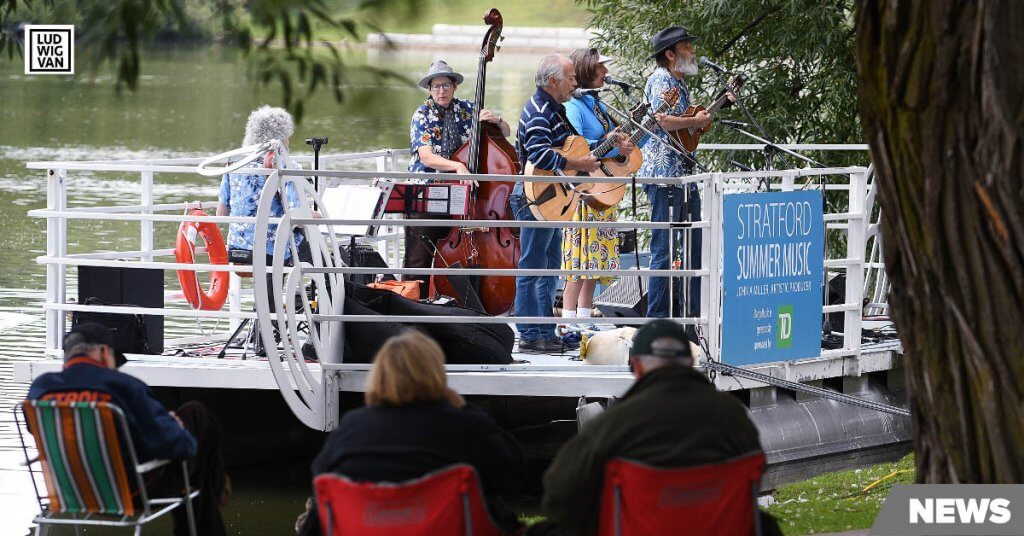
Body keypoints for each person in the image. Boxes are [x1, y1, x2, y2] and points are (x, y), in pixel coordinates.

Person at [531, 319, 779, 536]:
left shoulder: (614, 424)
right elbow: (753, 476)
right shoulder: (733, 416)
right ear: (689, 360)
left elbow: (559, 496)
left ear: (636, 366)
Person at [297, 331, 526, 535]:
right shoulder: (466, 425)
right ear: (436, 374)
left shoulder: (350, 429)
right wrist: (464, 408)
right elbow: (514, 475)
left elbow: (322, 482)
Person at [27, 323, 230, 536]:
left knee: (194, 476)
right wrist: (175, 428)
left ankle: (213, 493)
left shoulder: (40, 389)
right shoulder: (123, 386)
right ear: (105, 352)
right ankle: (217, 494)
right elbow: (179, 448)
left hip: (70, 491)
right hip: (131, 492)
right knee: (196, 417)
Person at [510, 54, 599, 353]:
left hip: (553, 198)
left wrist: (606, 146)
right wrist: (577, 162)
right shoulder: (538, 111)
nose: (575, 83)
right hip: (535, 198)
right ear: (553, 81)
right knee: (533, 267)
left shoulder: (555, 109)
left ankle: (545, 331)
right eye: (571, 78)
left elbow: (573, 148)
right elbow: (539, 155)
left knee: (549, 266)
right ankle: (529, 334)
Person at [405, 60, 511, 295]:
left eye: (445, 85)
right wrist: (458, 167)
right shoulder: (422, 114)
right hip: (427, 194)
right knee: (418, 260)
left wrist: (498, 121)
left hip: (458, 196)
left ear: (454, 87)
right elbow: (427, 158)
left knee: (455, 253)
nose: (440, 91)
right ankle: (413, 309)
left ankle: (454, 303)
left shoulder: (467, 109)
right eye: (435, 86)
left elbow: (505, 133)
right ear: (430, 90)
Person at [638, 26, 710, 319]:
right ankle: (656, 320)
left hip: (684, 173)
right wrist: (692, 121)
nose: (692, 52)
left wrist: (699, 122)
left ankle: (692, 317)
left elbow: (681, 126)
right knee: (664, 251)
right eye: (686, 47)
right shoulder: (660, 79)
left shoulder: (680, 84)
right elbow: (660, 121)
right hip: (664, 175)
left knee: (694, 246)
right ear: (670, 54)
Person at [560, 48, 635, 330]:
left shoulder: (598, 105)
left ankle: (585, 319)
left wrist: (621, 143)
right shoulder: (573, 107)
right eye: (601, 68)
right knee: (578, 261)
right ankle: (568, 323)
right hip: (584, 190)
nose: (606, 72)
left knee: (596, 260)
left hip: (604, 188)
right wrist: (609, 143)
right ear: (587, 71)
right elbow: (575, 147)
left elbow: (612, 138)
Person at [217, 104, 310, 266]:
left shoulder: (234, 164)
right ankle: (340, 287)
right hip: (273, 251)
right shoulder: (287, 167)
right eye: (287, 136)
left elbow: (221, 214)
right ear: (280, 139)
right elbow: (299, 219)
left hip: (236, 249)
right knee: (320, 254)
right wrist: (316, 215)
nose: (289, 142)